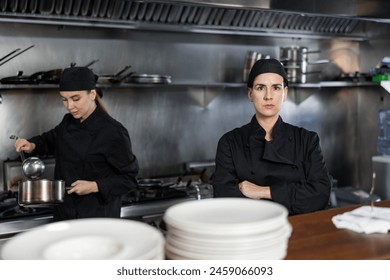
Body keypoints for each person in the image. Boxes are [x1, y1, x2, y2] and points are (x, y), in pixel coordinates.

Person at [15, 66, 139, 220]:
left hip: (95, 217)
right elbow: (50, 140)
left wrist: (94, 186)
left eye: (75, 99)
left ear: (92, 94)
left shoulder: (113, 132)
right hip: (64, 212)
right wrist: (31, 144)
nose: (69, 106)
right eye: (64, 99)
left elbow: (130, 179)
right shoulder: (68, 122)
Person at [213, 58, 331, 215]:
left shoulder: (306, 140)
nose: (268, 96)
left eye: (276, 88)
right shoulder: (230, 142)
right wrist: (291, 196)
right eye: (261, 88)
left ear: (285, 93)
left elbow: (321, 193)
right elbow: (224, 198)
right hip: (251, 231)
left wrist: (263, 191)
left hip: (299, 231)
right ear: (250, 93)